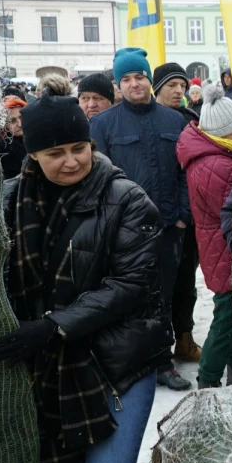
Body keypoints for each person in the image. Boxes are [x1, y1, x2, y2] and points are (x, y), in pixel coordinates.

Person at [0, 94, 170, 463]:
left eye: (79, 148)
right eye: (55, 152)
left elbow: (131, 285)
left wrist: (53, 325)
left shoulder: (127, 199)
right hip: (52, 366)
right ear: (33, 154)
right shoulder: (9, 201)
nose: (71, 161)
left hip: (121, 360)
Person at [90, 47, 193, 392]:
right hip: (126, 232)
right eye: (127, 79)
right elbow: (99, 181)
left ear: (150, 79)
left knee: (163, 297)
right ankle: (129, 363)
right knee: (127, 298)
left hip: (167, 228)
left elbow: (184, 174)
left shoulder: (173, 120)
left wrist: (181, 216)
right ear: (119, 85)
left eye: (140, 77)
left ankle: (162, 362)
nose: (135, 83)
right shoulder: (103, 124)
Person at [177, 82, 232, 392]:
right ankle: (208, 378)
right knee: (226, 320)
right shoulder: (219, 165)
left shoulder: (215, 156)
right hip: (225, 252)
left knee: (231, 317)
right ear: (223, 132)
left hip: (218, 250)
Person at [148, 62, 202, 366]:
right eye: (172, 85)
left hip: (186, 216)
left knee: (185, 282)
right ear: (157, 88)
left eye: (182, 85)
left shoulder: (189, 119)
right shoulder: (149, 120)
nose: (178, 91)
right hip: (157, 217)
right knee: (159, 285)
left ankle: (184, 337)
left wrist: (185, 214)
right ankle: (160, 345)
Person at [0, 95, 28, 180]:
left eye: (22, 117)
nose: (20, 124)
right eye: (12, 121)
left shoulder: (38, 136)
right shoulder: (6, 147)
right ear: (4, 125)